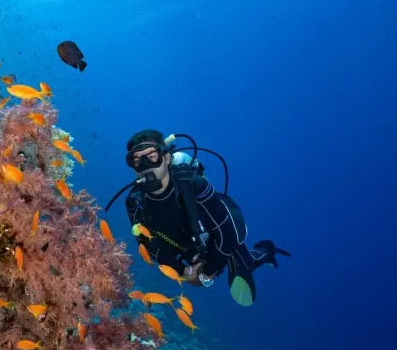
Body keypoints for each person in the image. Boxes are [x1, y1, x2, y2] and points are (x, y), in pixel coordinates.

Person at [122, 129, 290, 306]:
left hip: (216, 235)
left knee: (244, 260)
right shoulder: (135, 201)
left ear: (167, 157)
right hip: (185, 246)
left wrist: (207, 273)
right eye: (137, 160)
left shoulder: (193, 184)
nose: (145, 165)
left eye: (152, 156)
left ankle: (266, 252)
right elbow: (147, 246)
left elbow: (227, 233)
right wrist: (184, 270)